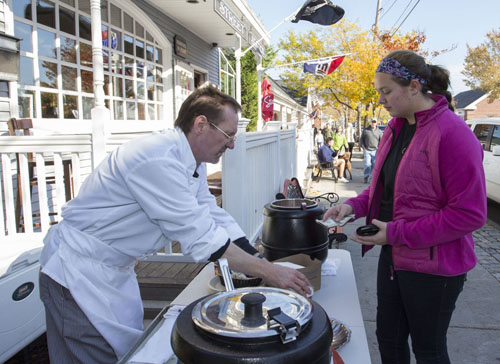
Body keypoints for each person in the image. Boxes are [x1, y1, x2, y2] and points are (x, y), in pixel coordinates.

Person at [39, 86, 312, 363]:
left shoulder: (192, 162)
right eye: (229, 135)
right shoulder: (156, 158)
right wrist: (270, 271)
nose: (231, 145)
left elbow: (213, 216)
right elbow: (200, 236)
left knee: (123, 353)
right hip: (78, 271)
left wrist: (257, 259)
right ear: (201, 124)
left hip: (113, 272)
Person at [323, 50, 487, 364]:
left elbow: (470, 213)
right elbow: (386, 186)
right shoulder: (396, 128)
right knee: (389, 340)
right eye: (379, 92)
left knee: (428, 351)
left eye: (387, 91)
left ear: (413, 86)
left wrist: (396, 232)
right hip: (394, 256)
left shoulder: (454, 134)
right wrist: (353, 206)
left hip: (436, 268)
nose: (381, 100)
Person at [360, 118, 382, 183]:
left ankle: (371, 178)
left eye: (374, 122)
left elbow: (382, 141)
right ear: (370, 122)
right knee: (367, 164)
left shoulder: (379, 131)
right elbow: (361, 140)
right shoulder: (366, 130)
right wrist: (363, 147)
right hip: (367, 150)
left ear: (376, 123)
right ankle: (366, 176)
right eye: (372, 122)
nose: (373, 123)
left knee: (374, 165)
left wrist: (380, 149)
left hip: (375, 151)